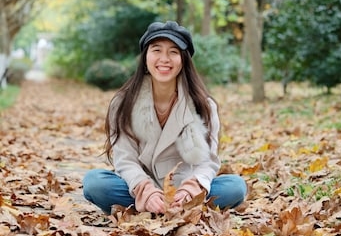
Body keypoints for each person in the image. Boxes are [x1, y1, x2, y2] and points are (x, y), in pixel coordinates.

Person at [82, 21, 247, 215]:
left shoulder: (203, 105)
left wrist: (190, 190)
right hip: (140, 189)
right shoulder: (123, 102)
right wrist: (147, 192)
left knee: (235, 187)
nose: (164, 59)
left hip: (184, 191)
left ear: (183, 60)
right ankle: (155, 207)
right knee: (95, 182)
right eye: (157, 50)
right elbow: (125, 159)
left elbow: (208, 161)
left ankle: (180, 208)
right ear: (145, 57)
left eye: (173, 52)